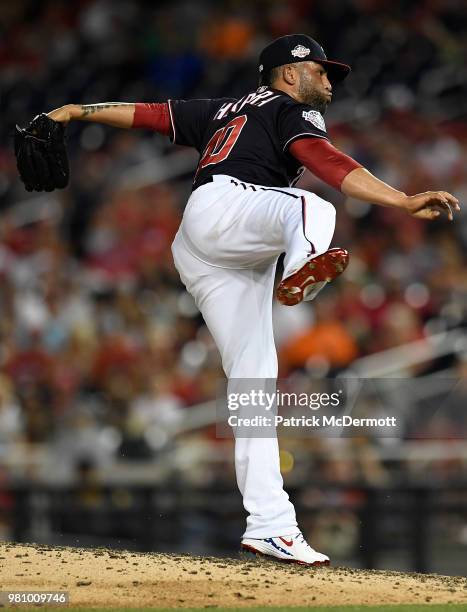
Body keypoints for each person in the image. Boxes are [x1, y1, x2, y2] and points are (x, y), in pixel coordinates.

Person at [46, 34, 459, 565]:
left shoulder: (223, 108)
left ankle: (270, 525)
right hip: (231, 211)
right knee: (316, 209)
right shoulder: (285, 108)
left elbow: (149, 114)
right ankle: (302, 266)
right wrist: (401, 199)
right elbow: (329, 163)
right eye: (321, 70)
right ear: (289, 74)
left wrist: (81, 110)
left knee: (253, 386)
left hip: (206, 247)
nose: (329, 81)